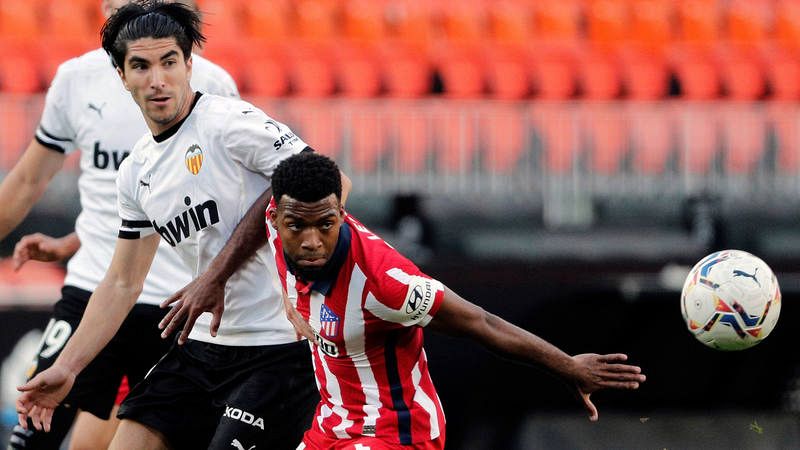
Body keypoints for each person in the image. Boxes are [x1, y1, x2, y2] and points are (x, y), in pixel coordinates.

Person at [13, 2, 335, 449]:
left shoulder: (227, 121)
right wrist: (67, 368)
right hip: (199, 345)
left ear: (189, 64)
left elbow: (318, 177)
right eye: (141, 66)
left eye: (169, 63)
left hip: (273, 348)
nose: (157, 80)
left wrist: (217, 277)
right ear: (121, 76)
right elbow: (123, 280)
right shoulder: (137, 171)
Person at [264, 152, 648, 449]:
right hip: (332, 425)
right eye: (297, 225)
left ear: (341, 215)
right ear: (278, 217)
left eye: (326, 225)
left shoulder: (385, 284)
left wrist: (567, 366)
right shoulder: (274, 224)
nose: (312, 241)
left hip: (397, 433)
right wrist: (288, 293)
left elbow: (481, 323)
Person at [1, 0, 238, 448]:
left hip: (175, 304)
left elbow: (228, 200)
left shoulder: (213, 86)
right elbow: (28, 179)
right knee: (32, 434)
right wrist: (76, 242)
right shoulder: (77, 80)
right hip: (94, 289)